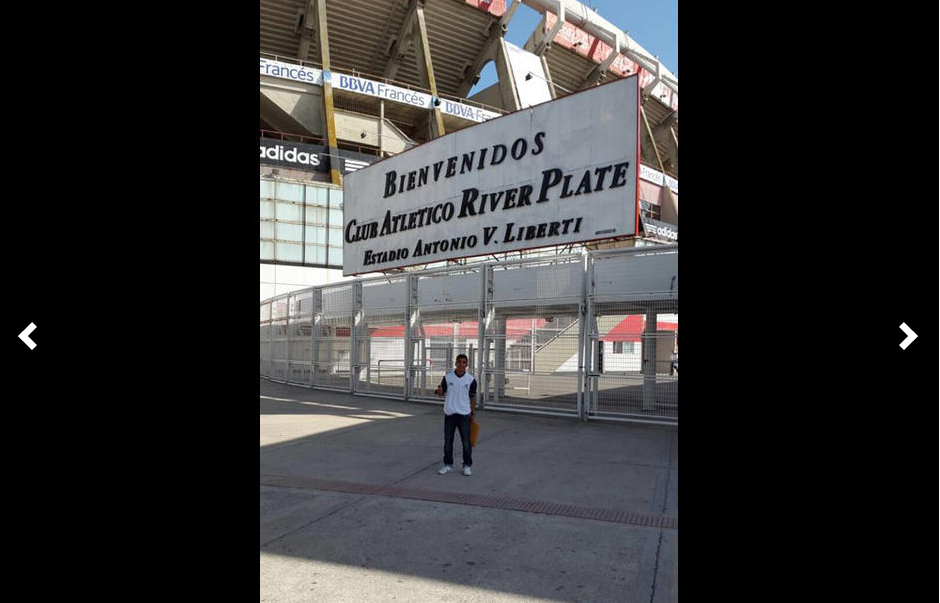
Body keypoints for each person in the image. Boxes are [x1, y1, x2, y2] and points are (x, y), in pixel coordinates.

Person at [434, 354, 477, 476]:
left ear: (467, 365)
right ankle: (448, 464)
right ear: (455, 363)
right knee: (448, 442)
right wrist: (440, 391)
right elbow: (441, 393)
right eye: (459, 362)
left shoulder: (471, 379)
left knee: (466, 442)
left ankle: (467, 465)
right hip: (450, 414)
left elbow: (473, 398)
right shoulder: (448, 378)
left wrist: (472, 413)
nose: (461, 364)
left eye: (464, 362)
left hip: (464, 415)